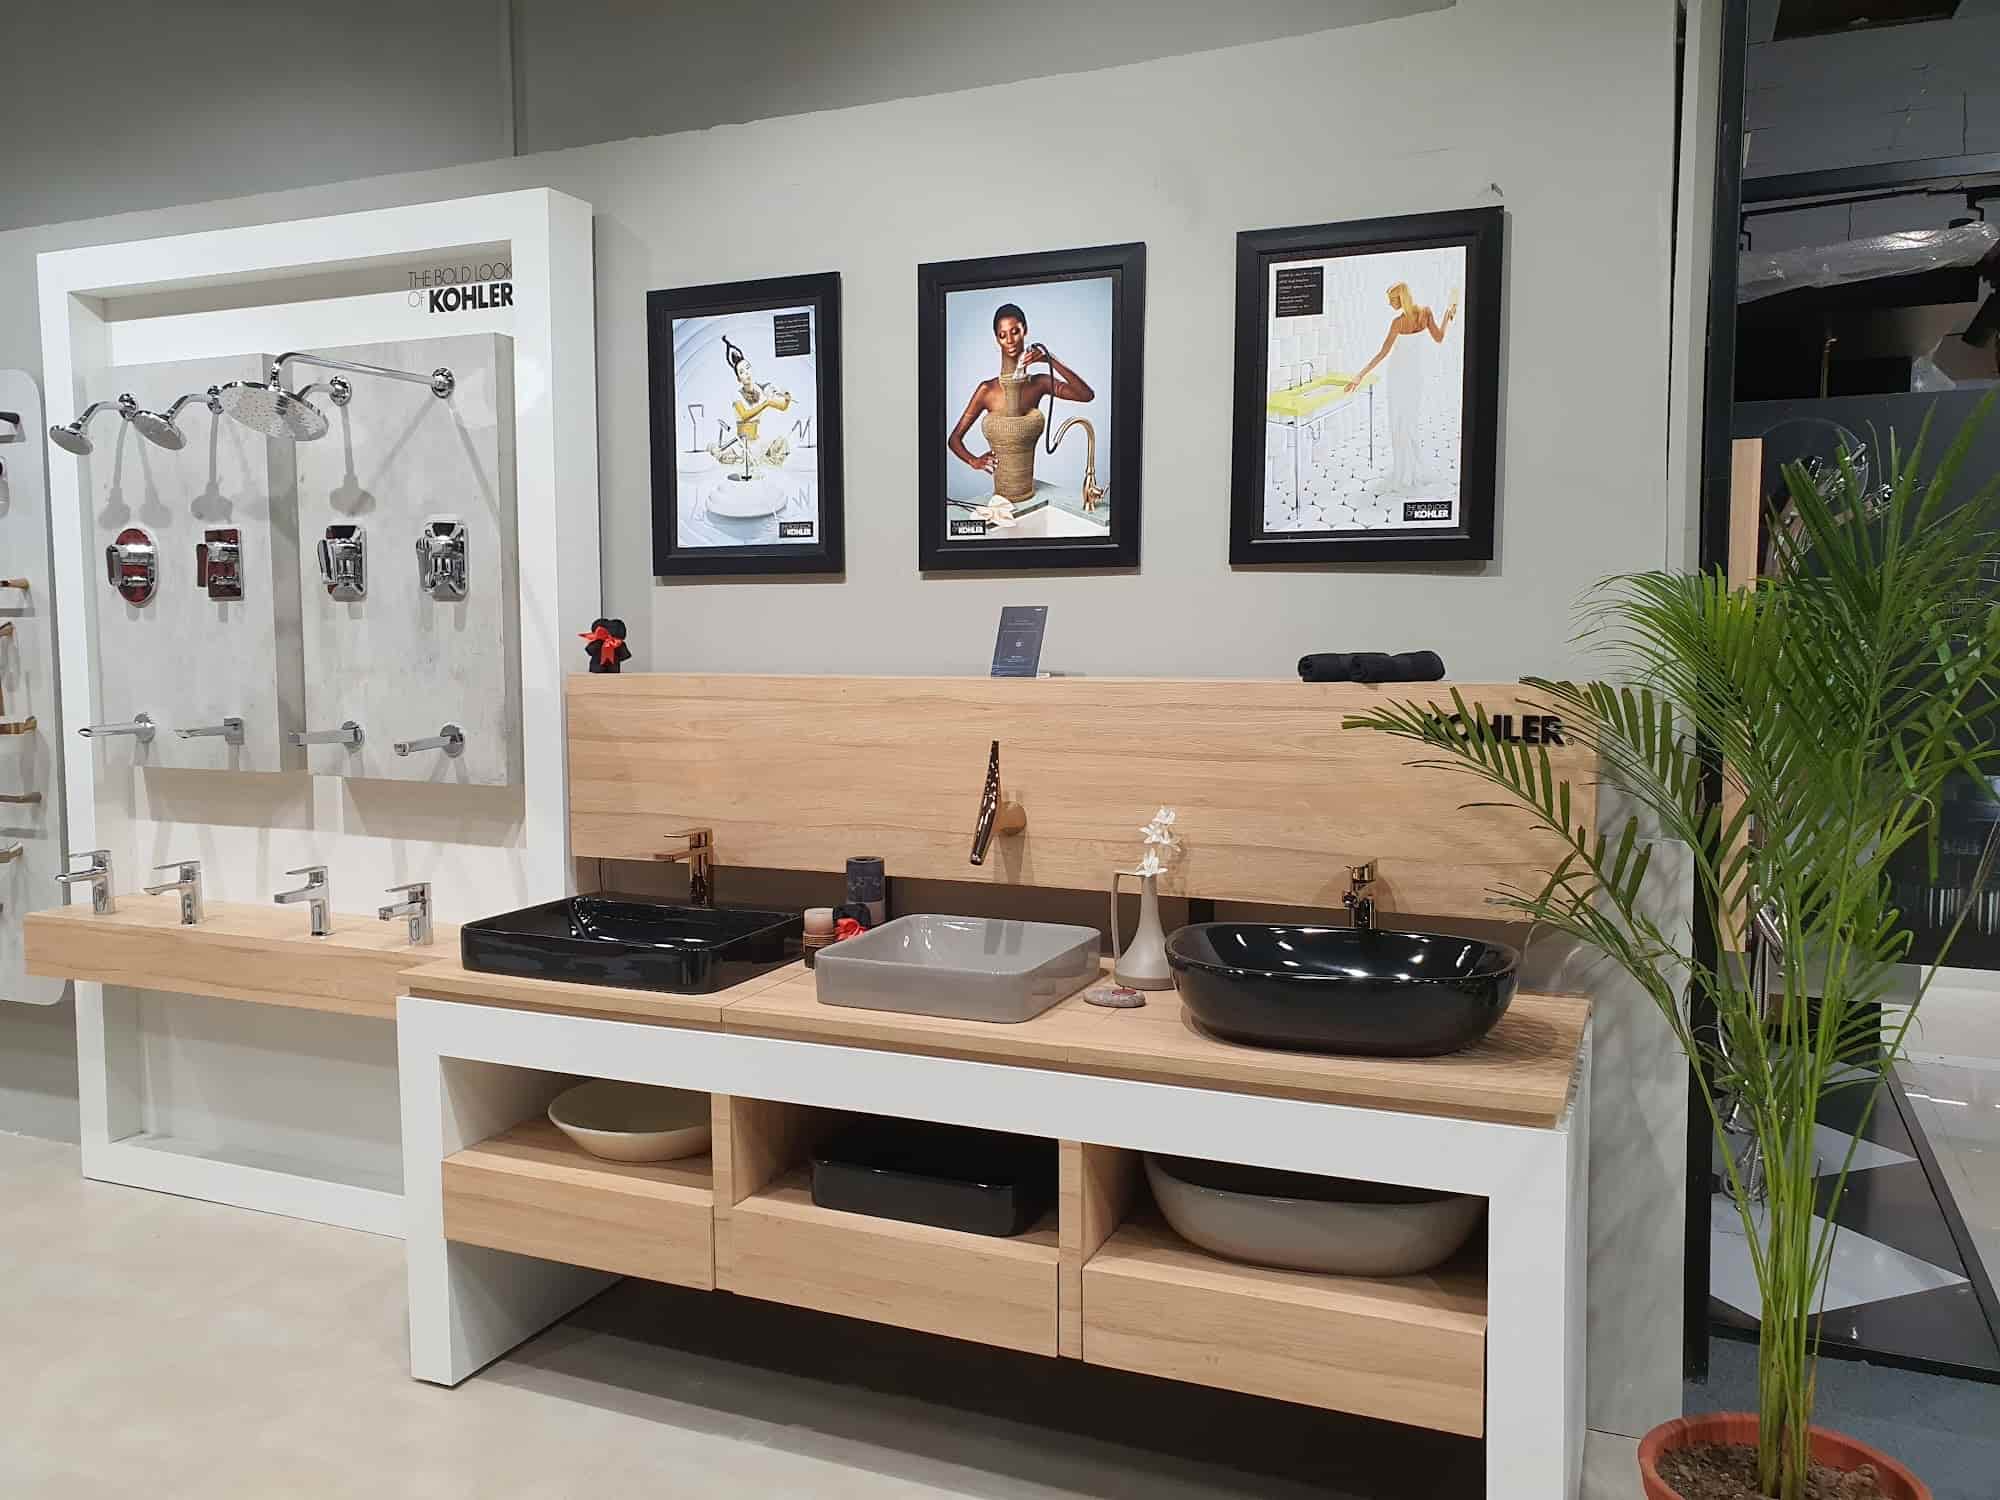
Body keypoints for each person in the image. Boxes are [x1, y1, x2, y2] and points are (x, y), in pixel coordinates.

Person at [947, 303, 1095, 505]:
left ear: (1025, 330)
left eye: (1015, 332)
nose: (1009, 340)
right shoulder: (987, 390)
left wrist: (1050, 359)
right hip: (1001, 500)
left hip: (1030, 495)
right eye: (1002, 335)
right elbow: (954, 439)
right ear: (997, 339)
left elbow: (1085, 395)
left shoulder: (1039, 383)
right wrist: (974, 461)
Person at [1339, 281, 1458, 491]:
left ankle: (1404, 470)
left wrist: (1359, 375)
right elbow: (1439, 337)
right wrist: (1447, 315)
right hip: (1415, 376)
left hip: (1398, 376)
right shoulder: (1426, 313)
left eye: (1391, 300)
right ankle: (1409, 468)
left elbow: (1383, 353)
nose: (1389, 304)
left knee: (1399, 422)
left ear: (1400, 298)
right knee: (1409, 421)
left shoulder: (1397, 323)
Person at [708, 336, 792, 475]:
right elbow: (744, 415)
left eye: (747, 368)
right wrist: (765, 403)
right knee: (721, 455)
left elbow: (782, 407)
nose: (746, 373)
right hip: (741, 444)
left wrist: (787, 399)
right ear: (738, 378)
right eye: (742, 372)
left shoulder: (761, 390)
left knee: (781, 444)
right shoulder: (736, 395)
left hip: (757, 442)